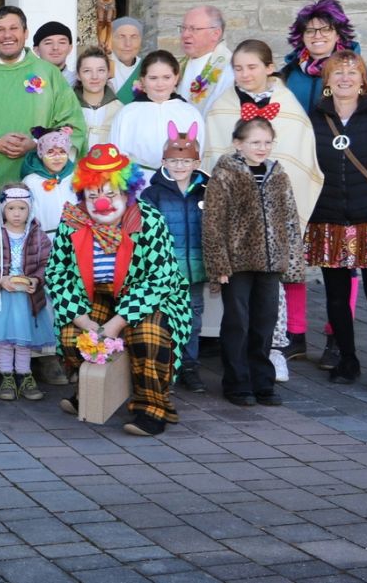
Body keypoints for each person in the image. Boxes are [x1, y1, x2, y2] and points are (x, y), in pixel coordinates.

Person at [46, 144, 191, 437]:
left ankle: (152, 406)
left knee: (147, 334)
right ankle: (92, 389)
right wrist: (84, 320)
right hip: (95, 294)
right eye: (93, 196)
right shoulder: (73, 221)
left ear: (126, 193)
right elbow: (57, 273)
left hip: (149, 295)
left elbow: (160, 279)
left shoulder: (148, 221)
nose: (102, 203)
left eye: (110, 194)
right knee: (74, 336)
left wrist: (116, 323)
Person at [203, 39, 323, 368]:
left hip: (272, 217)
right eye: (238, 68)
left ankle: (273, 350)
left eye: (252, 67)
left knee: (271, 295)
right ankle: (238, 358)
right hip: (238, 223)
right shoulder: (223, 106)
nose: (245, 74)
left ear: (269, 68)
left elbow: (298, 156)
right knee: (238, 297)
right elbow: (213, 156)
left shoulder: (288, 105)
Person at [307, 51, 367, 394]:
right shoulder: (315, 118)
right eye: (337, 72)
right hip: (329, 219)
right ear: (327, 81)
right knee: (336, 297)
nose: (345, 78)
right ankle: (347, 360)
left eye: (352, 72)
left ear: (363, 79)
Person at [202, 117, 303, 407]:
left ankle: (262, 381)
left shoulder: (278, 174)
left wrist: (291, 261)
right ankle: (237, 382)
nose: (262, 148)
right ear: (238, 144)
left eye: (267, 142)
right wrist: (219, 265)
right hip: (237, 263)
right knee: (238, 323)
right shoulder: (225, 174)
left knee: (265, 322)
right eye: (255, 142)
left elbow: (290, 219)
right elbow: (213, 223)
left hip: (270, 264)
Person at [0, 6, 86, 188]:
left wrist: (37, 144)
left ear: (25, 33)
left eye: (14, 28)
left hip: (40, 180)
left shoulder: (49, 74)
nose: (7, 35)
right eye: (0, 30)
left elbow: (72, 125)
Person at [140, 122, 209, 393]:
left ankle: (189, 365)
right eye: (174, 161)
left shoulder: (207, 190)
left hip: (195, 270)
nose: (180, 166)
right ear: (163, 162)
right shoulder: (152, 194)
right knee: (163, 318)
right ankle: (164, 363)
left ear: (196, 163)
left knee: (192, 318)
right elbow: (144, 234)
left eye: (186, 161)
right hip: (164, 272)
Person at [0, 185, 53, 402]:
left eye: (22, 208)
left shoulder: (38, 236)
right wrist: (0, 279)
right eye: (11, 208)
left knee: (23, 339)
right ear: (3, 210)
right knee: (4, 339)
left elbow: (47, 263)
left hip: (27, 298)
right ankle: (7, 376)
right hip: (1, 297)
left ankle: (25, 374)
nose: (17, 213)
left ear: (30, 209)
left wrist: (36, 279)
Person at [109, 50, 206, 179]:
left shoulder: (190, 113)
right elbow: (116, 154)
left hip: (179, 181)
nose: (160, 84)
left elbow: (199, 152)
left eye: (166, 77)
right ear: (143, 80)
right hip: (140, 182)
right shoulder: (127, 114)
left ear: (176, 78)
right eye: (153, 78)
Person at [281, 0, 367, 115]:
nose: (317, 36)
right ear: (302, 36)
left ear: (338, 35)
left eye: (326, 29)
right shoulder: (287, 74)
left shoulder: (359, 71)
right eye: (310, 31)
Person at [177, 5, 234, 115]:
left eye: (193, 29)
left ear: (215, 34)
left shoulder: (230, 68)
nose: (185, 35)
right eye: (183, 28)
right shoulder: (178, 66)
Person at [21, 127, 76, 236]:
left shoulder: (75, 177)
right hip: (43, 239)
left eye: (62, 151)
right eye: (50, 152)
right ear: (41, 154)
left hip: (75, 237)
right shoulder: (31, 182)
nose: (57, 157)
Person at [74, 47, 123, 148]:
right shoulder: (67, 109)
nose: (94, 77)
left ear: (108, 73)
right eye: (87, 71)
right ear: (78, 75)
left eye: (101, 70)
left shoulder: (120, 110)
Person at [109, 17, 144, 103]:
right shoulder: (101, 66)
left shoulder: (147, 67)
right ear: (110, 40)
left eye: (134, 37)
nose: (128, 44)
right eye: (121, 37)